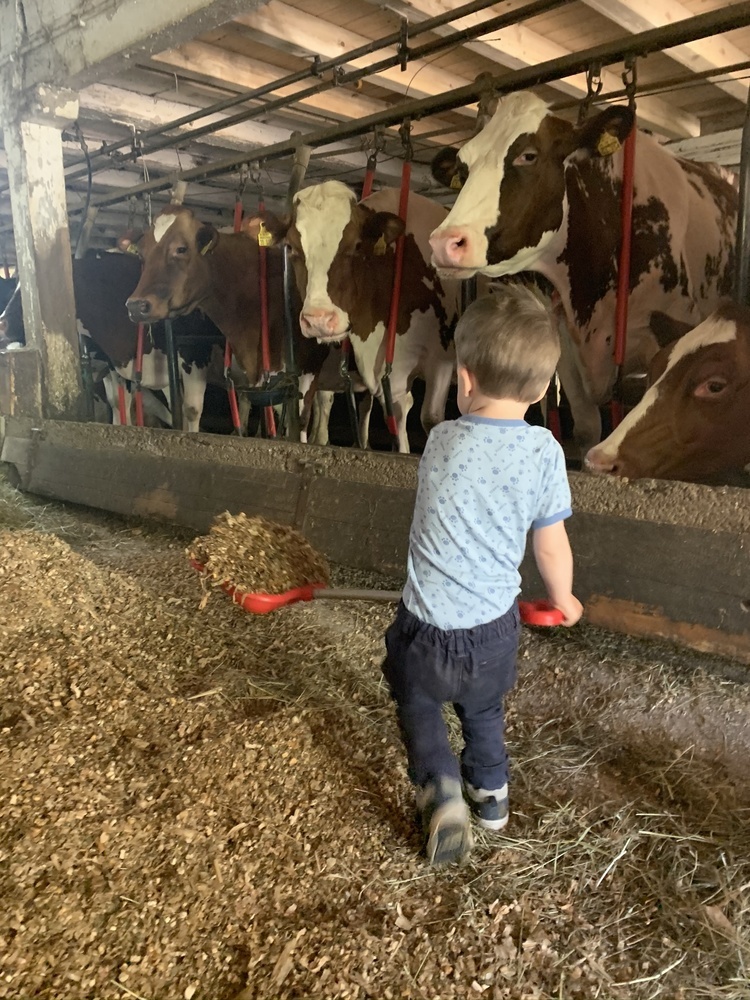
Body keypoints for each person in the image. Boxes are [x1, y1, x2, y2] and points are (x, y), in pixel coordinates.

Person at [382, 283, 583, 866]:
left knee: (417, 701)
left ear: (464, 380)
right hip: (494, 632)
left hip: (424, 631)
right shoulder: (544, 452)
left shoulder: (441, 440)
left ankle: (441, 790)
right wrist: (565, 598)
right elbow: (550, 544)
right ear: (543, 389)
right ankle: (491, 798)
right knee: (484, 709)